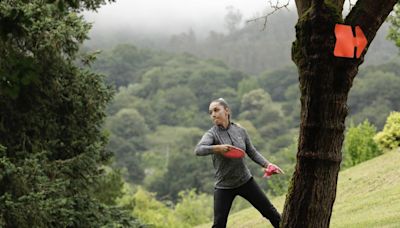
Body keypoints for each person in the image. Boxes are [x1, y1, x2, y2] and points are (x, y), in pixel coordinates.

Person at [194, 98, 282, 228]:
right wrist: (217, 148)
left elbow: (252, 152)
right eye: (211, 112)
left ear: (227, 111)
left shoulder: (240, 131)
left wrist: (267, 165)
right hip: (224, 186)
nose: (213, 114)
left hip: (245, 181)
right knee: (219, 225)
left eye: (216, 110)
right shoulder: (211, 134)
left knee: (271, 213)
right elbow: (198, 150)